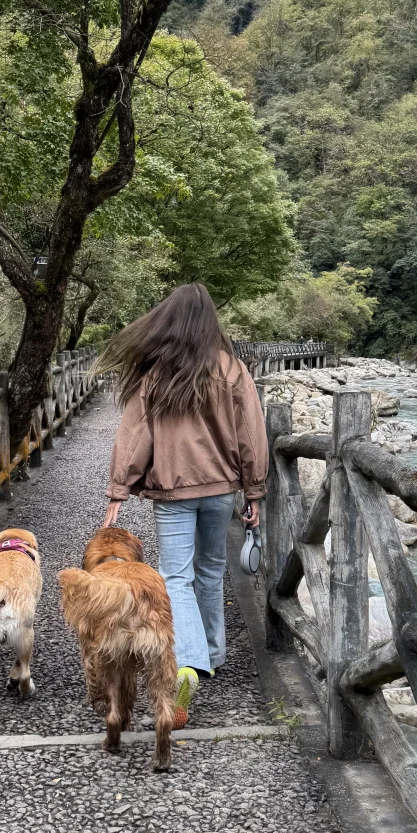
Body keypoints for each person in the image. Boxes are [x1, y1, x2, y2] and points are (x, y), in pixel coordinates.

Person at [101, 283, 268, 726]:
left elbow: (137, 435)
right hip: (220, 490)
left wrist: (119, 489)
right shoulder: (232, 369)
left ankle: (188, 662)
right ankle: (213, 654)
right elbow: (252, 434)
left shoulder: (158, 373)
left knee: (175, 576)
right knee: (211, 571)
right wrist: (254, 491)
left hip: (174, 490)